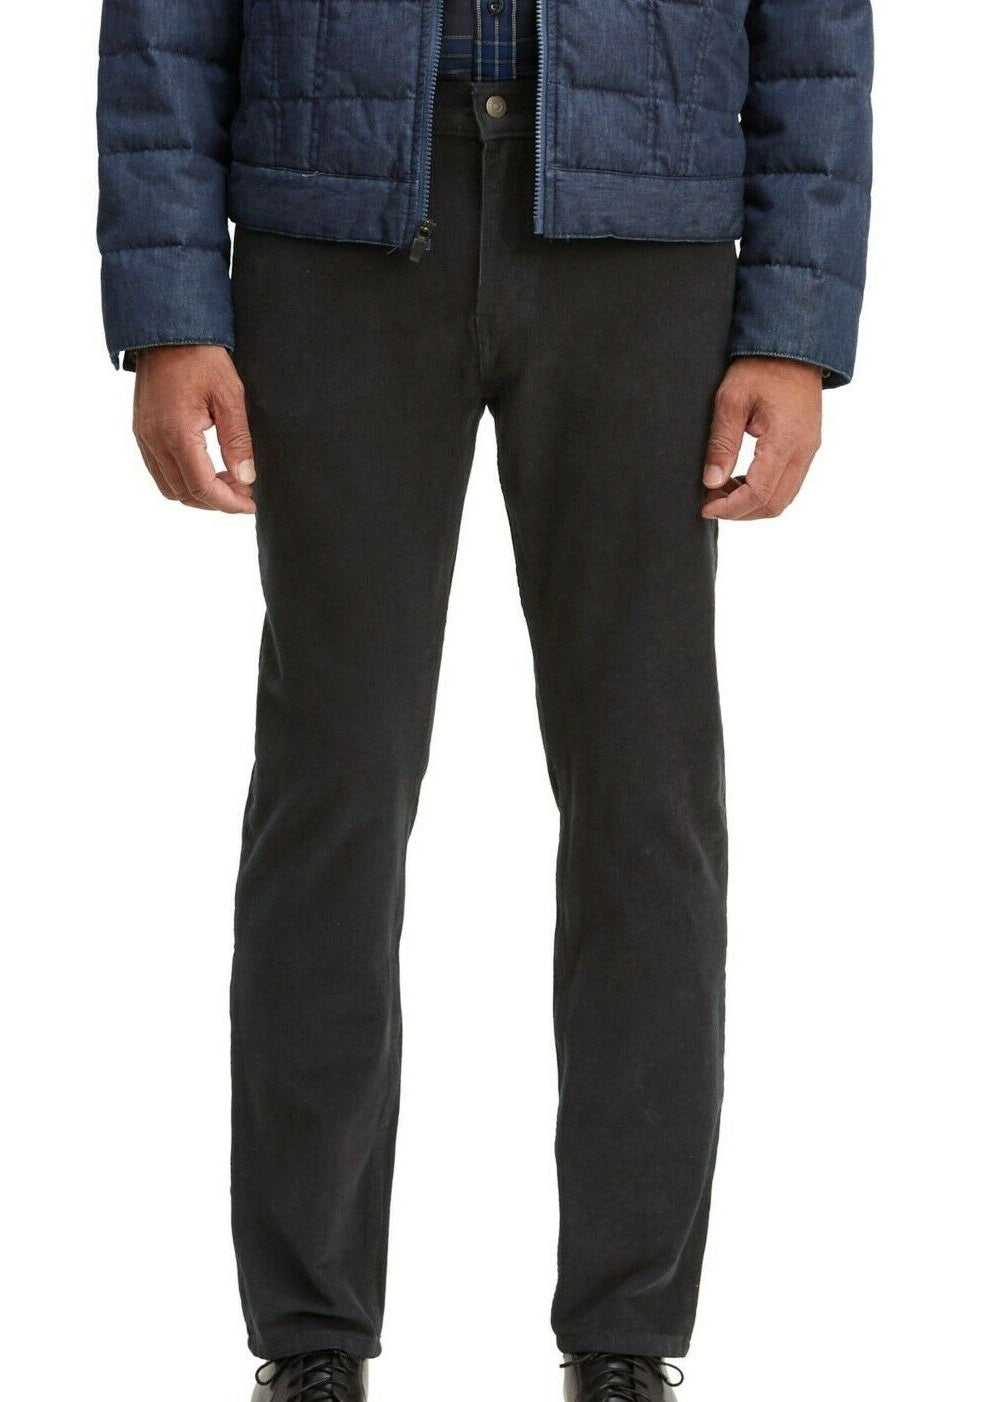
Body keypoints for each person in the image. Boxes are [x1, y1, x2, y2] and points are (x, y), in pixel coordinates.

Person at [97, 1, 874, 1398]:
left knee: (646, 798)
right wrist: (166, 307)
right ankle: (310, 1340)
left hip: (644, 228)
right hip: (333, 220)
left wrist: (796, 320)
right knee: (334, 787)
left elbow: (816, 23)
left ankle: (627, 1340)